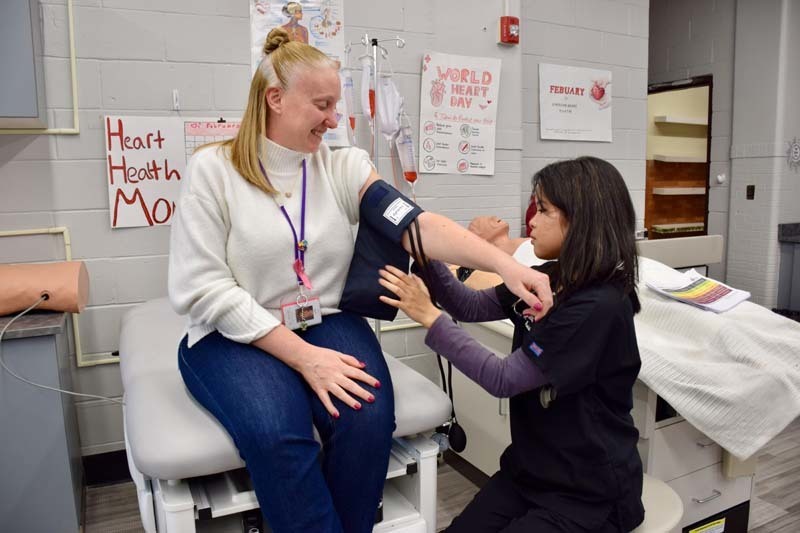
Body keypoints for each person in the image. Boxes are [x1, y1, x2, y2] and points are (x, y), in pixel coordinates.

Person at [168, 28, 552, 533]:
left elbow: (415, 224)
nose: (334, 119)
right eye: (323, 105)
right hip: (232, 332)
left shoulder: (343, 166)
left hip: (323, 317)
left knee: (368, 420)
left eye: (336, 105)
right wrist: (306, 359)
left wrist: (508, 265)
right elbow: (205, 288)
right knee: (279, 434)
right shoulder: (212, 170)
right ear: (275, 99)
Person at [378, 156, 645, 533]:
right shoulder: (552, 277)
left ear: (580, 219)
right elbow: (469, 305)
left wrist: (429, 317)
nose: (531, 221)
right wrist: (426, 251)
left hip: (586, 493)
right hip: (531, 471)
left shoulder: (597, 306)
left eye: (544, 210)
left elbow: (503, 378)